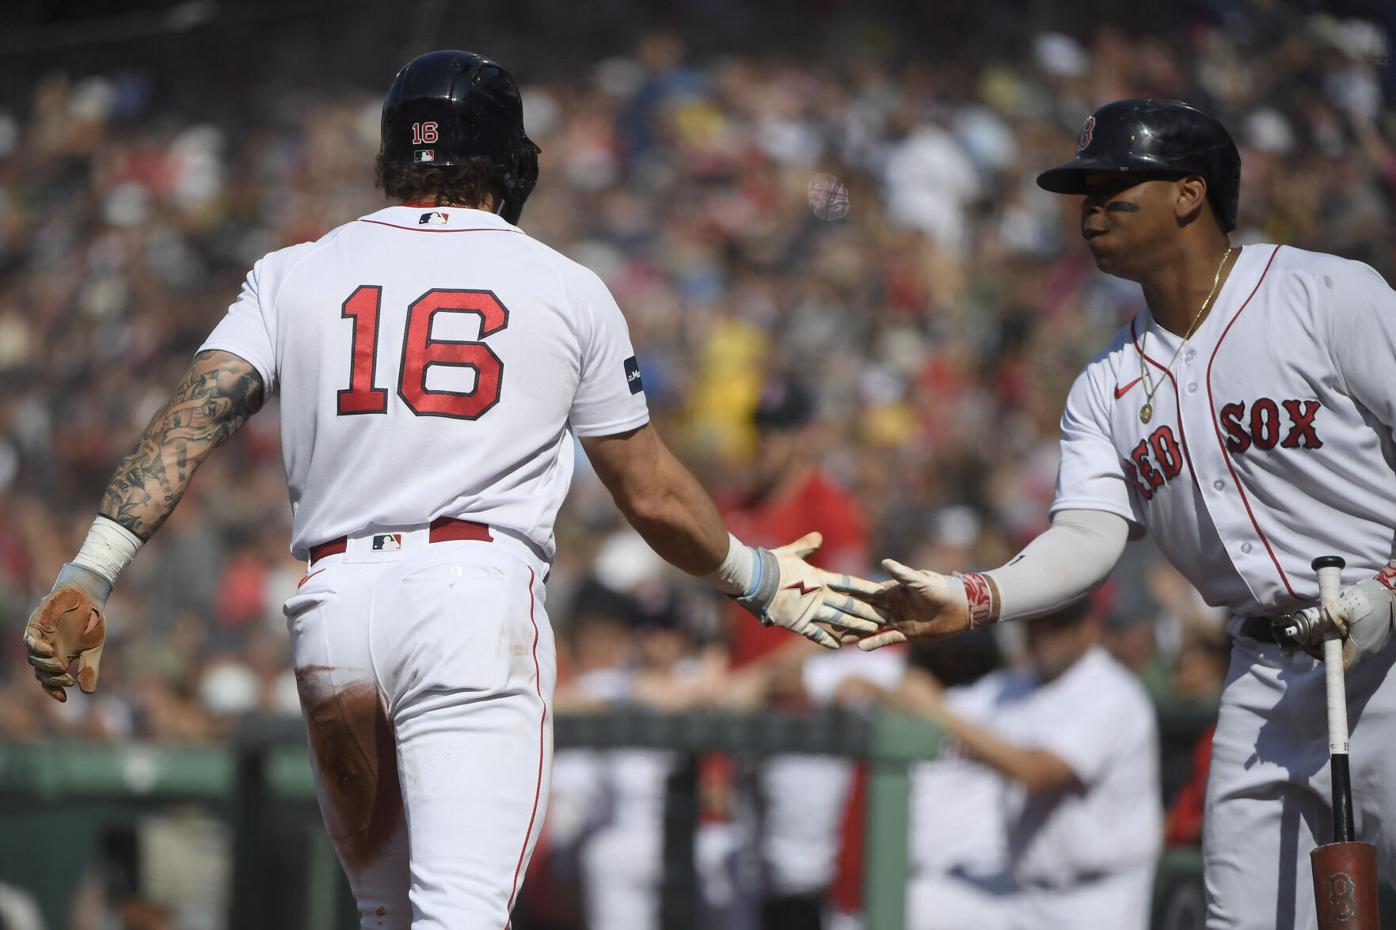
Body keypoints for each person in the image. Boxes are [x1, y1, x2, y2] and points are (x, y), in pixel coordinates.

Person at [20, 50, 873, 930]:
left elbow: (190, 421)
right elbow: (651, 494)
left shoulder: (292, 270)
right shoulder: (564, 285)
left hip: (334, 607)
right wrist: (760, 580)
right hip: (471, 600)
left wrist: (90, 572)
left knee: (387, 918)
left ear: (394, 157)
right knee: (459, 916)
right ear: (507, 163)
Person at [835, 98, 1396, 929]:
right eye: (1084, 192)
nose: (1090, 208)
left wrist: (1390, 583)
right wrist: (975, 596)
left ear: (1188, 193)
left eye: (1114, 187)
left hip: (1387, 656)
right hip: (1264, 670)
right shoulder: (1105, 383)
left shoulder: (1326, 295)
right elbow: (1089, 533)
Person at [891, 599, 1160, 930]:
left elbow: (1039, 772)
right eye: (1035, 623)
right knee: (911, 905)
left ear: (1088, 629)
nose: (1042, 635)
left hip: (1097, 899)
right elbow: (929, 705)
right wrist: (879, 689)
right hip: (1020, 894)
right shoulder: (1018, 685)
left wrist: (940, 713)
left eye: (1055, 626)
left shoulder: (1112, 692)